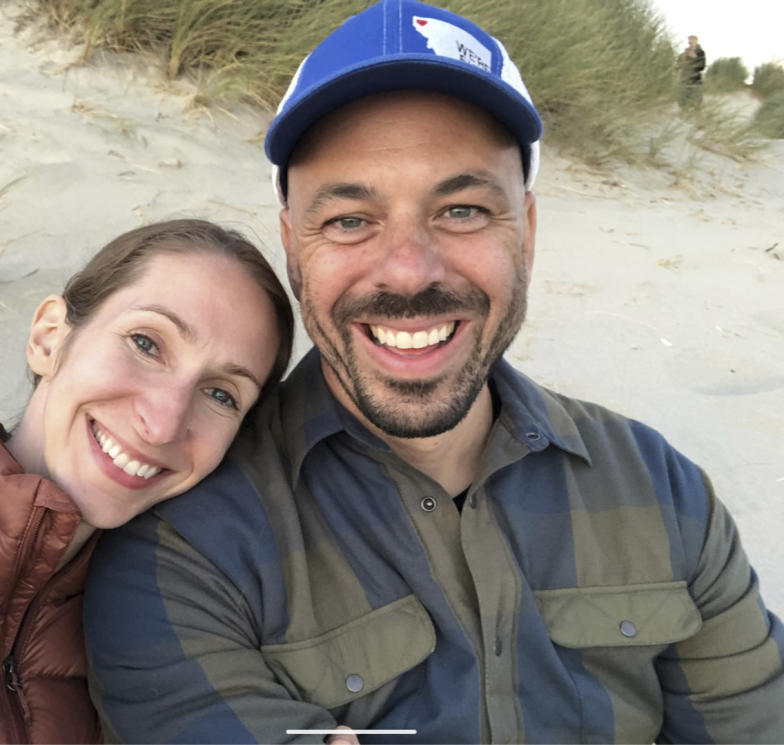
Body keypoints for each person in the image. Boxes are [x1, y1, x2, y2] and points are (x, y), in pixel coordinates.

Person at [85, 2, 784, 743]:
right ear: (293, 244)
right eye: (351, 220)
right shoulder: (185, 553)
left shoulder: (658, 487)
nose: (410, 271)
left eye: (463, 210)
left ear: (529, 231)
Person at [0, 218, 293, 742]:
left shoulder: (164, 629)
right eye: (145, 342)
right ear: (49, 338)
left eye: (221, 394)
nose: (163, 423)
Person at [678, 34, 706, 110]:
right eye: (689, 40)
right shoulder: (685, 52)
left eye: (692, 39)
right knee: (683, 102)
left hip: (695, 80)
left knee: (697, 102)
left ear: (696, 41)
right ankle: (684, 116)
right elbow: (679, 65)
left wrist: (695, 58)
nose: (690, 41)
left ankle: (698, 118)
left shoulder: (701, 52)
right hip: (685, 79)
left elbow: (702, 66)